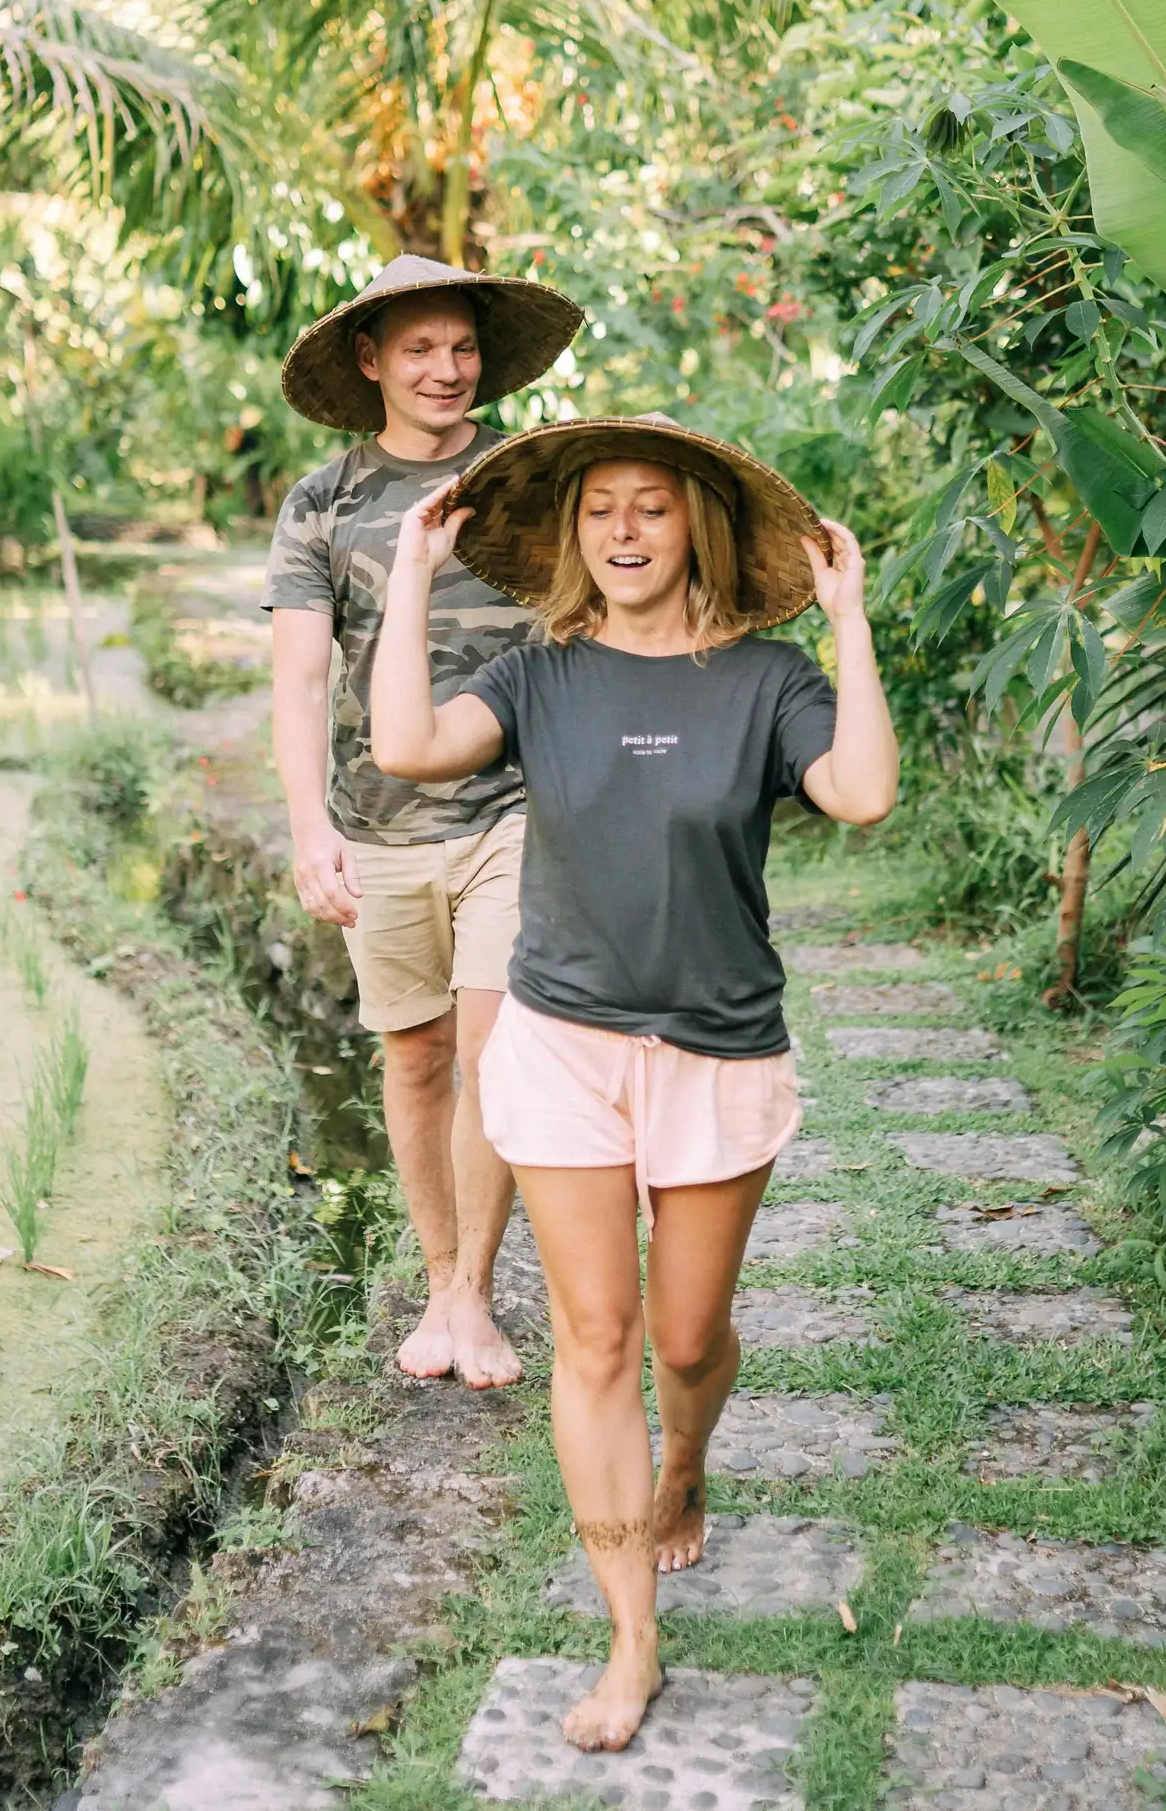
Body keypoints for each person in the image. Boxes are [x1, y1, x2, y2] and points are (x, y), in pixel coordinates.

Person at [371, 413, 898, 1752]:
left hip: (719, 1049)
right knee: (596, 1338)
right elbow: (405, 749)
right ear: (571, 534)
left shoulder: (768, 679)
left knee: (683, 1340)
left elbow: (865, 792)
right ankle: (630, 1637)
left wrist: (851, 621)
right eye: (600, 508)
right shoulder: (540, 674)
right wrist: (417, 579)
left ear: (696, 529)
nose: (622, 531)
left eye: (651, 507)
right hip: (562, 1043)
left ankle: (687, 1461)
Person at [263, 252, 584, 1388]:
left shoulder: (531, 478)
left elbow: (589, 622)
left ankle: (468, 1295)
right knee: (415, 1057)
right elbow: (302, 680)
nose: (447, 369)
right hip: (381, 822)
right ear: (371, 361)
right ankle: (442, 1274)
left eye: (461, 348)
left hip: (515, 810)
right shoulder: (324, 501)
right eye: (419, 350)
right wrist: (310, 827)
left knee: (495, 1059)